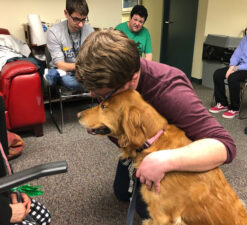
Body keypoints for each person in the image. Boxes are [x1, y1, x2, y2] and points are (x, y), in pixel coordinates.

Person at [75, 28, 237, 219]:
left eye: (103, 96)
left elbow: (225, 146)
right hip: (137, 146)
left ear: (132, 80)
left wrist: (165, 161)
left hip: (172, 153)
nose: (95, 97)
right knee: (121, 193)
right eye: (93, 92)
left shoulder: (170, 92)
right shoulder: (113, 75)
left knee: (147, 211)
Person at [46, 0, 94, 90]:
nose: (80, 25)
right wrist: (85, 67)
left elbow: (93, 58)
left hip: (83, 71)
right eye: (76, 19)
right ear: (66, 13)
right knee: (68, 81)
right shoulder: (54, 32)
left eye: (83, 19)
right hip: (65, 71)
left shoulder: (90, 30)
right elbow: (61, 65)